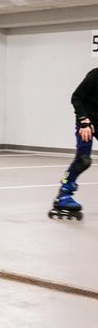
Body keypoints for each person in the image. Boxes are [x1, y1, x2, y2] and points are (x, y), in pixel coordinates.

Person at [48, 68, 98, 220]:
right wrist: (84, 121)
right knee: (83, 160)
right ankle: (64, 194)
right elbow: (76, 97)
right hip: (87, 122)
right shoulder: (95, 75)